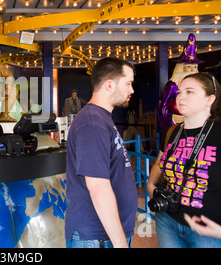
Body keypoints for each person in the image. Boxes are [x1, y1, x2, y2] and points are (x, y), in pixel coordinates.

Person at [65, 57, 137, 248]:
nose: (132, 90)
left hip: (104, 236)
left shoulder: (101, 118)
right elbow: (98, 187)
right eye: (128, 83)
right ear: (109, 85)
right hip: (96, 238)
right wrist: (121, 244)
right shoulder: (92, 122)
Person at [147, 73, 221, 248]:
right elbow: (160, 162)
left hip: (208, 228)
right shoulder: (172, 132)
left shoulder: (218, 133)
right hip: (168, 220)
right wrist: (151, 185)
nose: (180, 97)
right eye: (180, 92)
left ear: (209, 99)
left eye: (189, 92)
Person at [157, 33, 201, 132]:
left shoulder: (199, 86)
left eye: (194, 67)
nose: (191, 70)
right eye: (188, 67)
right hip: (175, 119)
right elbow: (163, 105)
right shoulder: (172, 85)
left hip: (193, 119)